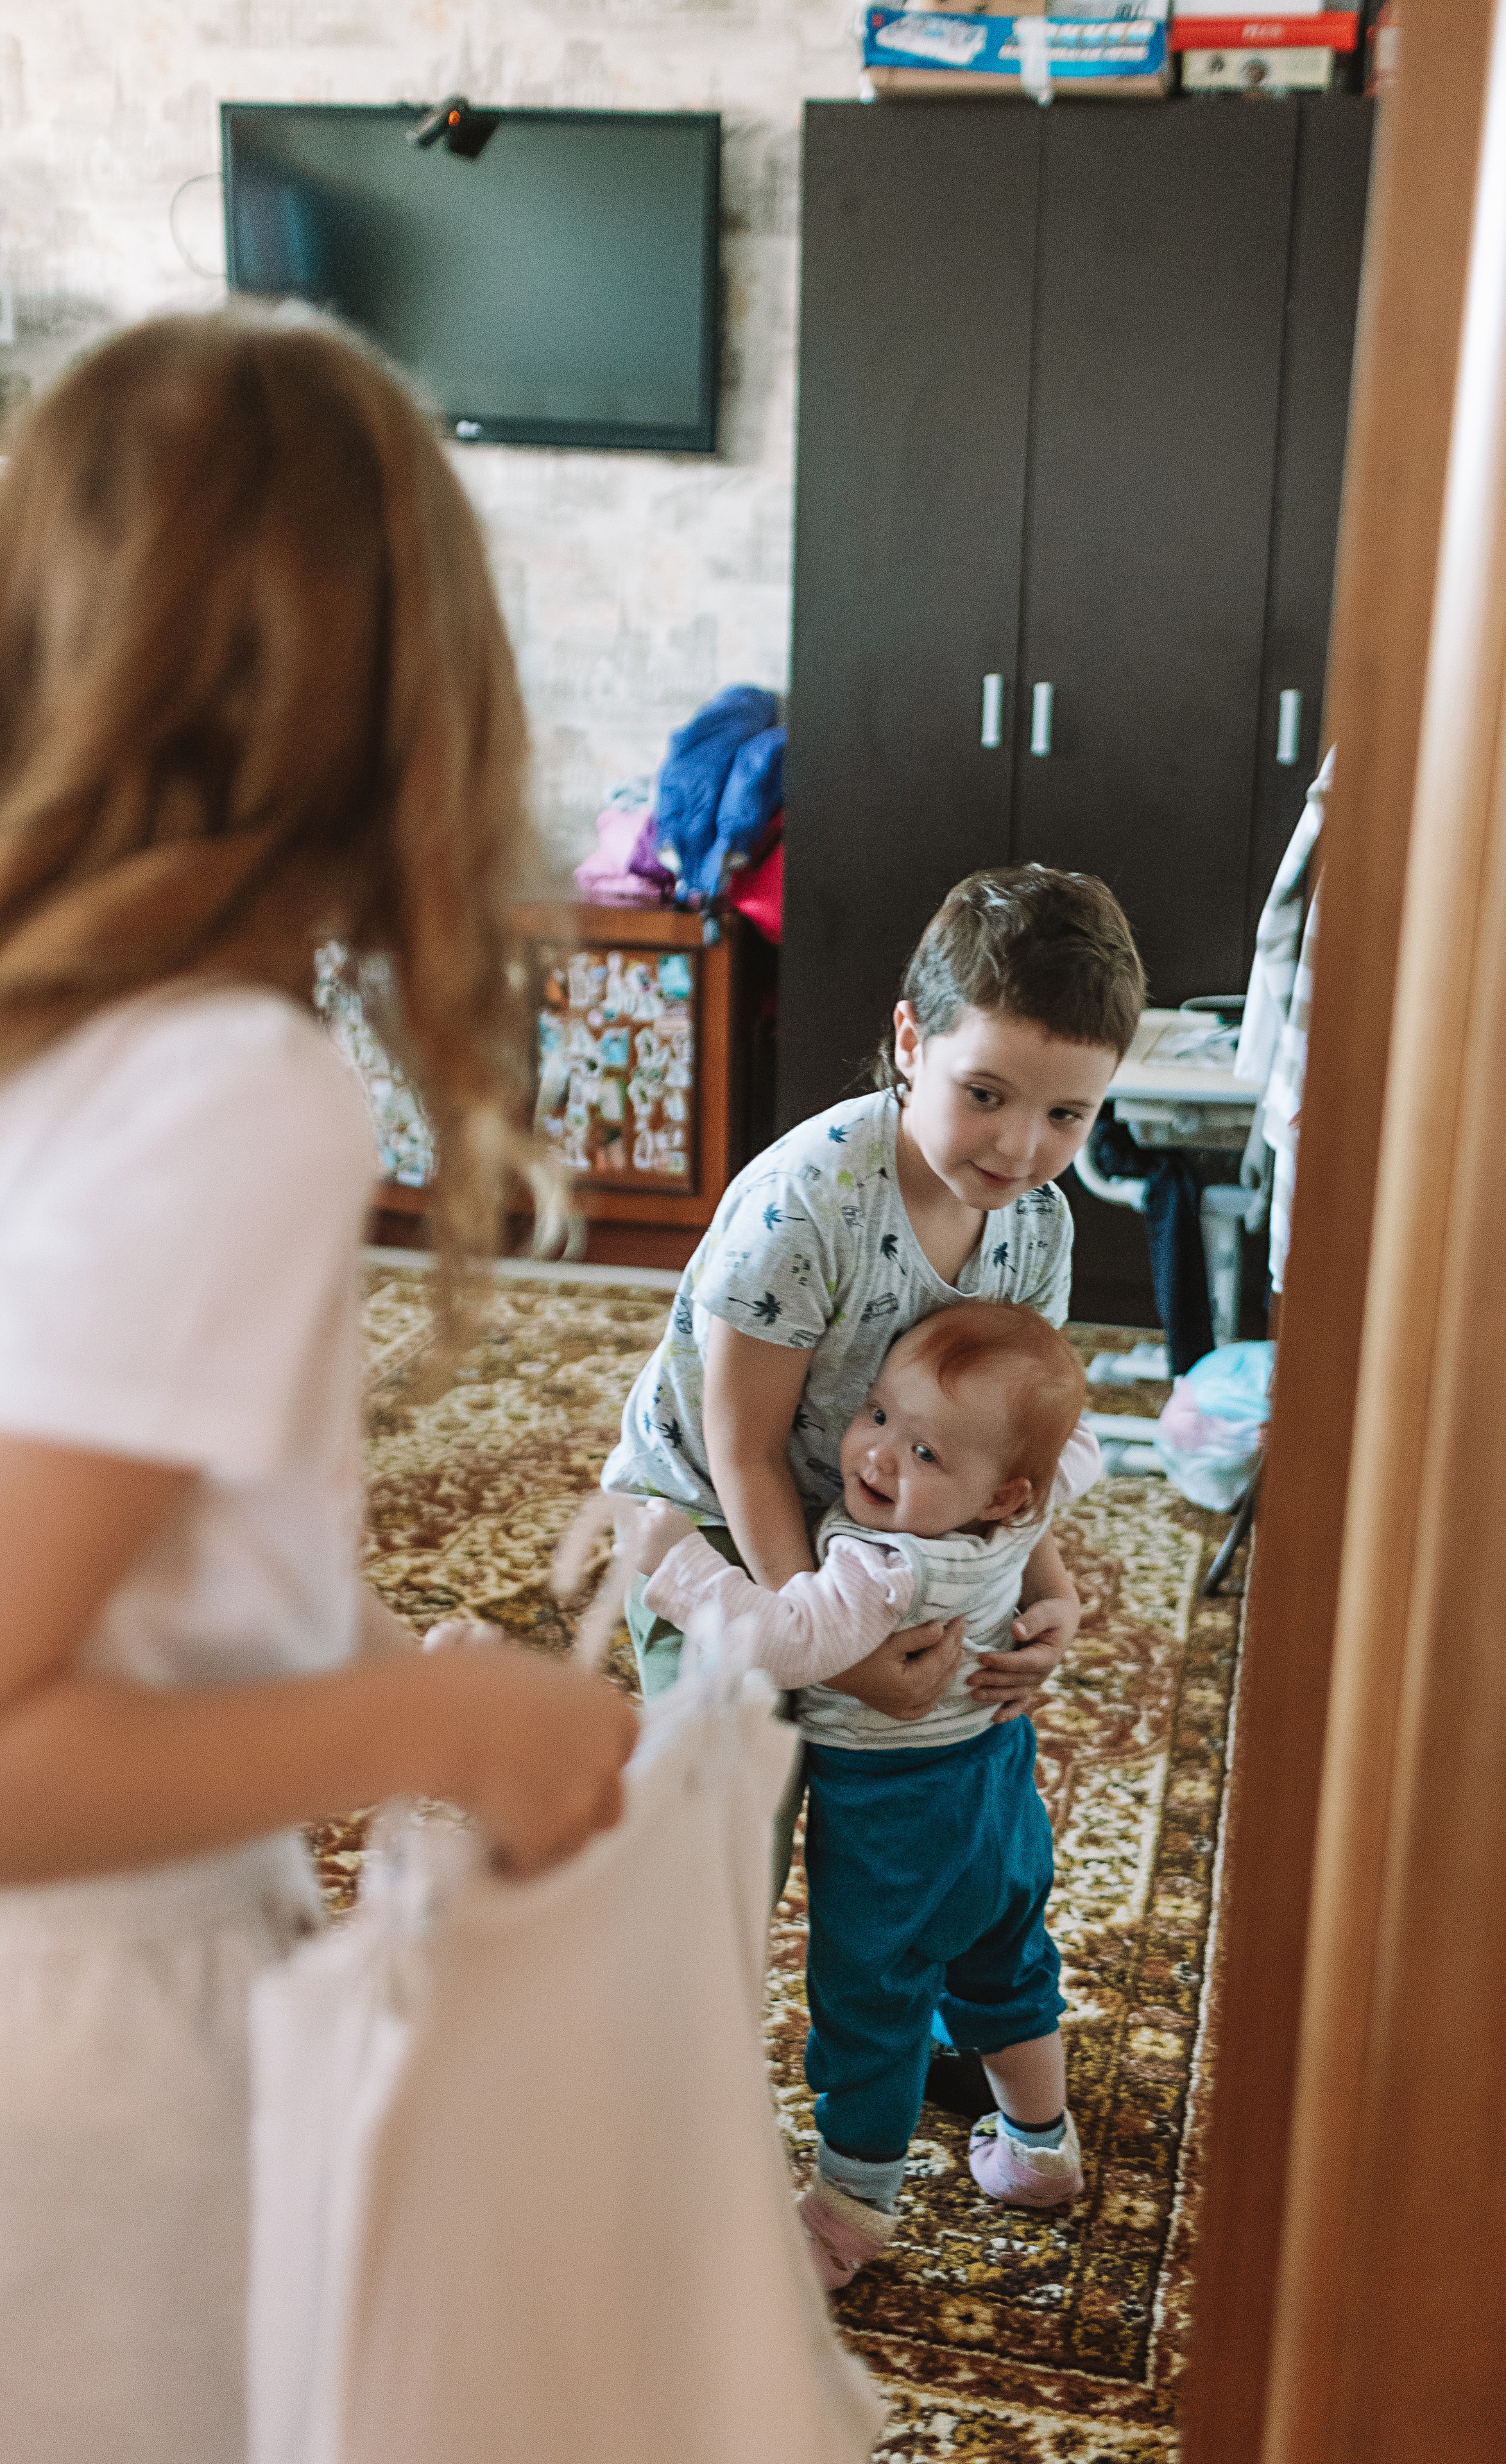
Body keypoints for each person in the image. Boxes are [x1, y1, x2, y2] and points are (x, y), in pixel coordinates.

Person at [0, 312, 637, 2464]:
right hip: (78, 2072)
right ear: (405, 694)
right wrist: (446, 1723)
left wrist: (353, 1643)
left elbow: (117, 1557)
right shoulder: (233, 1085)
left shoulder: (56, 1043)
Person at [601, 860, 1147, 1736]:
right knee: (725, 1807)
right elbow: (744, 1452)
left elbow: (1015, 1435)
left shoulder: (1039, 1226)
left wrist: (1051, 1588)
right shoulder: (806, 1208)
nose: (1019, 1146)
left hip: (886, 1525)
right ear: (910, 1041)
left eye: (1066, 1117)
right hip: (715, 1528)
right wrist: (826, 1649)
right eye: (985, 1094)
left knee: (916, 1795)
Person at [631, 1299, 1101, 2289]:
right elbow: (1082, 1452)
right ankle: (1041, 2148)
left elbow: (787, 1635)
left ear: (1004, 1493)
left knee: (872, 2008)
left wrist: (673, 1566)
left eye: (928, 1455)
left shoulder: (879, 1565)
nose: (879, 1457)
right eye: (878, 1414)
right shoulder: (1028, 1512)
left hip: (893, 1823)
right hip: (998, 1794)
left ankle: (849, 2218)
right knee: (1008, 1966)